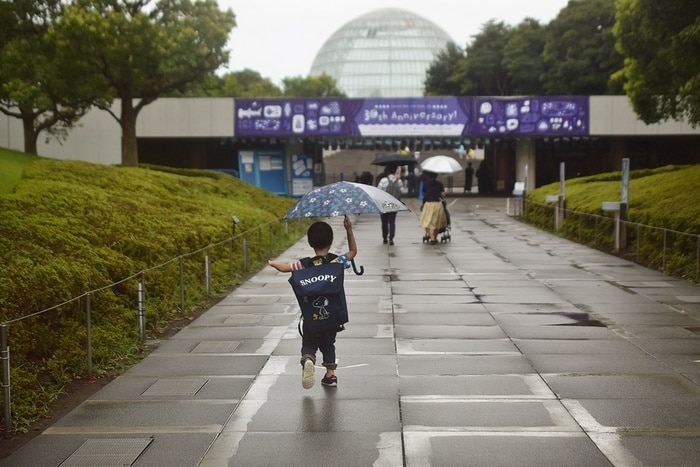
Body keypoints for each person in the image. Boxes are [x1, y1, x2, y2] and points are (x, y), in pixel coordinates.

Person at [268, 216, 357, 389]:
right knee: (329, 343)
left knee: (309, 342)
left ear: (310, 242)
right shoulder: (336, 261)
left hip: (311, 317)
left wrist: (272, 263)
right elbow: (353, 251)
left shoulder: (304, 264)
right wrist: (349, 230)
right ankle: (330, 375)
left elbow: (285, 267)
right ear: (331, 241)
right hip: (332, 316)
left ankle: (308, 358)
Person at [377, 164, 403, 245]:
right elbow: (401, 191)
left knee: (384, 222)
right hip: (394, 204)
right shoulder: (399, 181)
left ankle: (385, 238)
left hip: (384, 204)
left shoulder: (383, 180)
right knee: (392, 221)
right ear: (395, 171)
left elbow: (378, 190)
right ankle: (391, 238)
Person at [419, 171, 447, 245]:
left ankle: (432, 238)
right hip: (437, 204)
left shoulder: (426, 184)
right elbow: (443, 194)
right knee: (436, 223)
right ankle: (434, 238)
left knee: (430, 223)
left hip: (428, 205)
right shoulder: (440, 184)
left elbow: (423, 193)